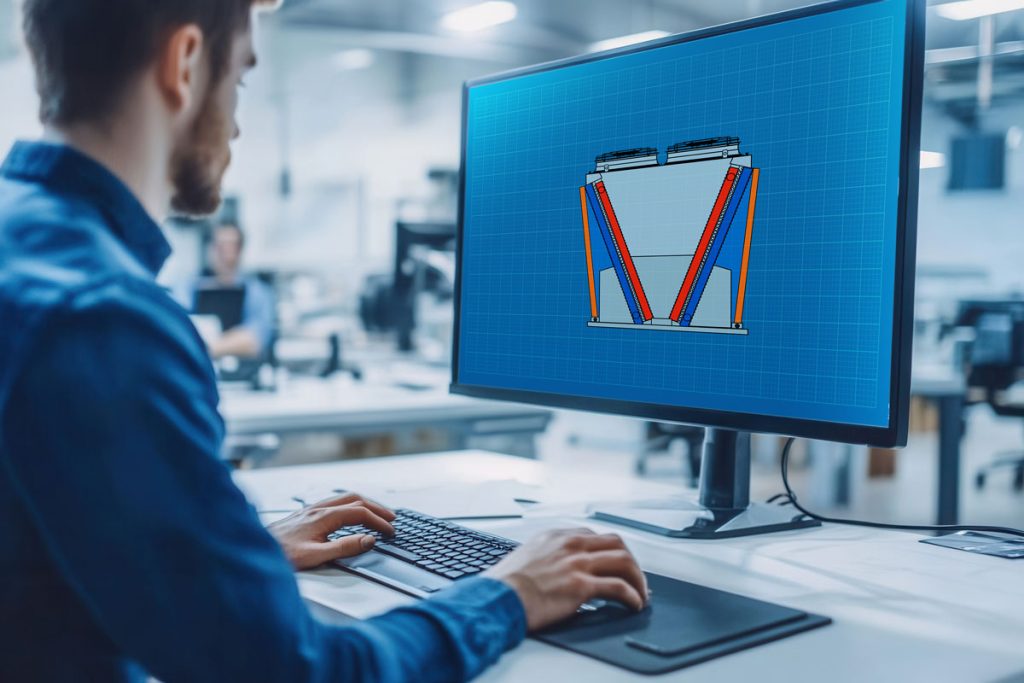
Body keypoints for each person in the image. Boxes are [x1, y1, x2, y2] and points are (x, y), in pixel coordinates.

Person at [0, 1, 648, 682]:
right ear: (184, 63)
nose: (239, 122)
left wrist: (229, 557)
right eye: (240, 81)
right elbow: (301, 672)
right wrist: (512, 592)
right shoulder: (104, 315)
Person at [181, 220, 276, 359]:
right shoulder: (189, 286)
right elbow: (178, 326)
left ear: (240, 249)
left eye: (232, 246)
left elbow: (255, 339)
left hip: (242, 373)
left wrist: (207, 348)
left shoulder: (257, 292)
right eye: (220, 246)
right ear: (211, 248)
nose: (226, 254)